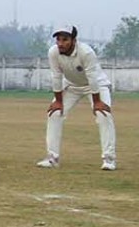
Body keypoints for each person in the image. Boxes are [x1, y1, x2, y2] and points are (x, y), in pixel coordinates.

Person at [38, 26, 117, 170]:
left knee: (103, 114)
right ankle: (52, 158)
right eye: (58, 39)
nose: (60, 43)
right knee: (54, 114)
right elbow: (56, 76)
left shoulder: (86, 52)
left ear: (74, 40)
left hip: (96, 85)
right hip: (71, 86)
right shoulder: (53, 52)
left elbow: (92, 78)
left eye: (65, 40)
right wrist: (58, 102)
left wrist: (97, 102)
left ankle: (109, 159)